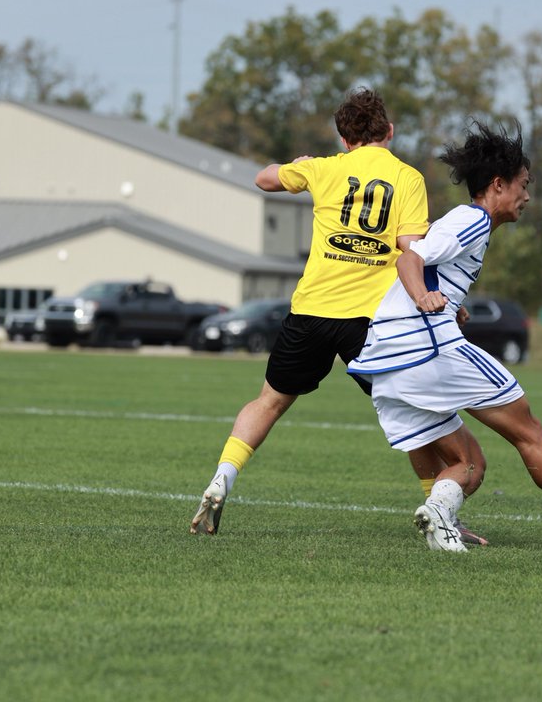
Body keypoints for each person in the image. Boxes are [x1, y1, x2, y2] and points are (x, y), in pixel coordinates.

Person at [190, 87, 485, 542]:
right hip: (371, 322)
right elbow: (415, 252)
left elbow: (263, 179)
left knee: (269, 401)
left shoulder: (324, 168)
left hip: (310, 309)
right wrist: (443, 297)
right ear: (389, 130)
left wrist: (300, 165)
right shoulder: (406, 177)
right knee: (413, 415)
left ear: (344, 138)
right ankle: (438, 510)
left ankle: (223, 477)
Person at [347, 120, 542, 553]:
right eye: (523, 185)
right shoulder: (472, 220)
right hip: (425, 347)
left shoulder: (466, 225)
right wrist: (426, 298)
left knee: (468, 464)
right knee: (530, 432)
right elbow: (409, 257)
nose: (527, 196)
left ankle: (439, 515)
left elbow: (430, 261)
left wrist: (448, 299)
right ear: (498, 184)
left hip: (388, 358)